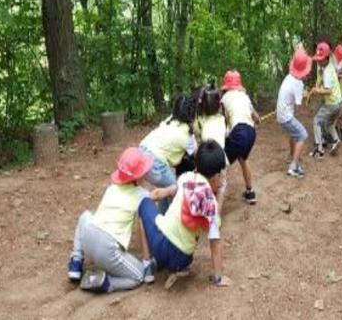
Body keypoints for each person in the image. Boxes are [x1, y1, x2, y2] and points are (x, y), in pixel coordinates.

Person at [138, 140, 231, 287]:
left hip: (161, 246)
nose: (223, 179)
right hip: (182, 259)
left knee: (144, 203)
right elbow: (214, 242)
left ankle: (147, 262)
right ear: (216, 177)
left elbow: (171, 190)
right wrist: (219, 278)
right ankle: (171, 266)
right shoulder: (210, 203)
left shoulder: (186, 178)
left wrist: (158, 194)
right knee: (184, 246)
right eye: (223, 175)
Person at [67, 148, 156, 293]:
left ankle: (76, 262)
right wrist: (171, 189)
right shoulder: (141, 195)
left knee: (85, 216)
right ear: (138, 177)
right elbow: (154, 198)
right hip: (107, 248)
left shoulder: (112, 188)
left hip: (88, 236)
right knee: (139, 275)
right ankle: (105, 282)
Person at [139, 95, 197, 213]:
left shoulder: (169, 120)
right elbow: (196, 152)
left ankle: (162, 216)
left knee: (166, 189)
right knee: (175, 190)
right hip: (155, 163)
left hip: (141, 152)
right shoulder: (187, 136)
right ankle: (174, 218)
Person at [221, 70, 261, 205]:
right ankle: (250, 192)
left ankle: (213, 196)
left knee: (219, 163)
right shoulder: (245, 96)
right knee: (243, 159)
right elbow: (257, 118)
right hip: (251, 133)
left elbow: (223, 122)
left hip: (238, 132)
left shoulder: (224, 99)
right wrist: (257, 120)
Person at [276, 48, 313, 178]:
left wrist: (302, 93)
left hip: (281, 115)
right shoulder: (298, 83)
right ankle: (293, 166)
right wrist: (306, 94)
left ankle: (291, 156)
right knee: (302, 135)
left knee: (294, 134)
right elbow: (299, 103)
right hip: (286, 116)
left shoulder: (289, 77)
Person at [308, 42, 342, 157]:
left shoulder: (327, 72)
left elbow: (328, 90)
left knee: (316, 121)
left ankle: (319, 149)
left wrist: (316, 90)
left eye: (320, 59)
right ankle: (336, 140)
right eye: (318, 59)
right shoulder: (329, 66)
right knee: (330, 124)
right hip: (338, 103)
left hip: (331, 103)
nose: (318, 61)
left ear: (327, 58)